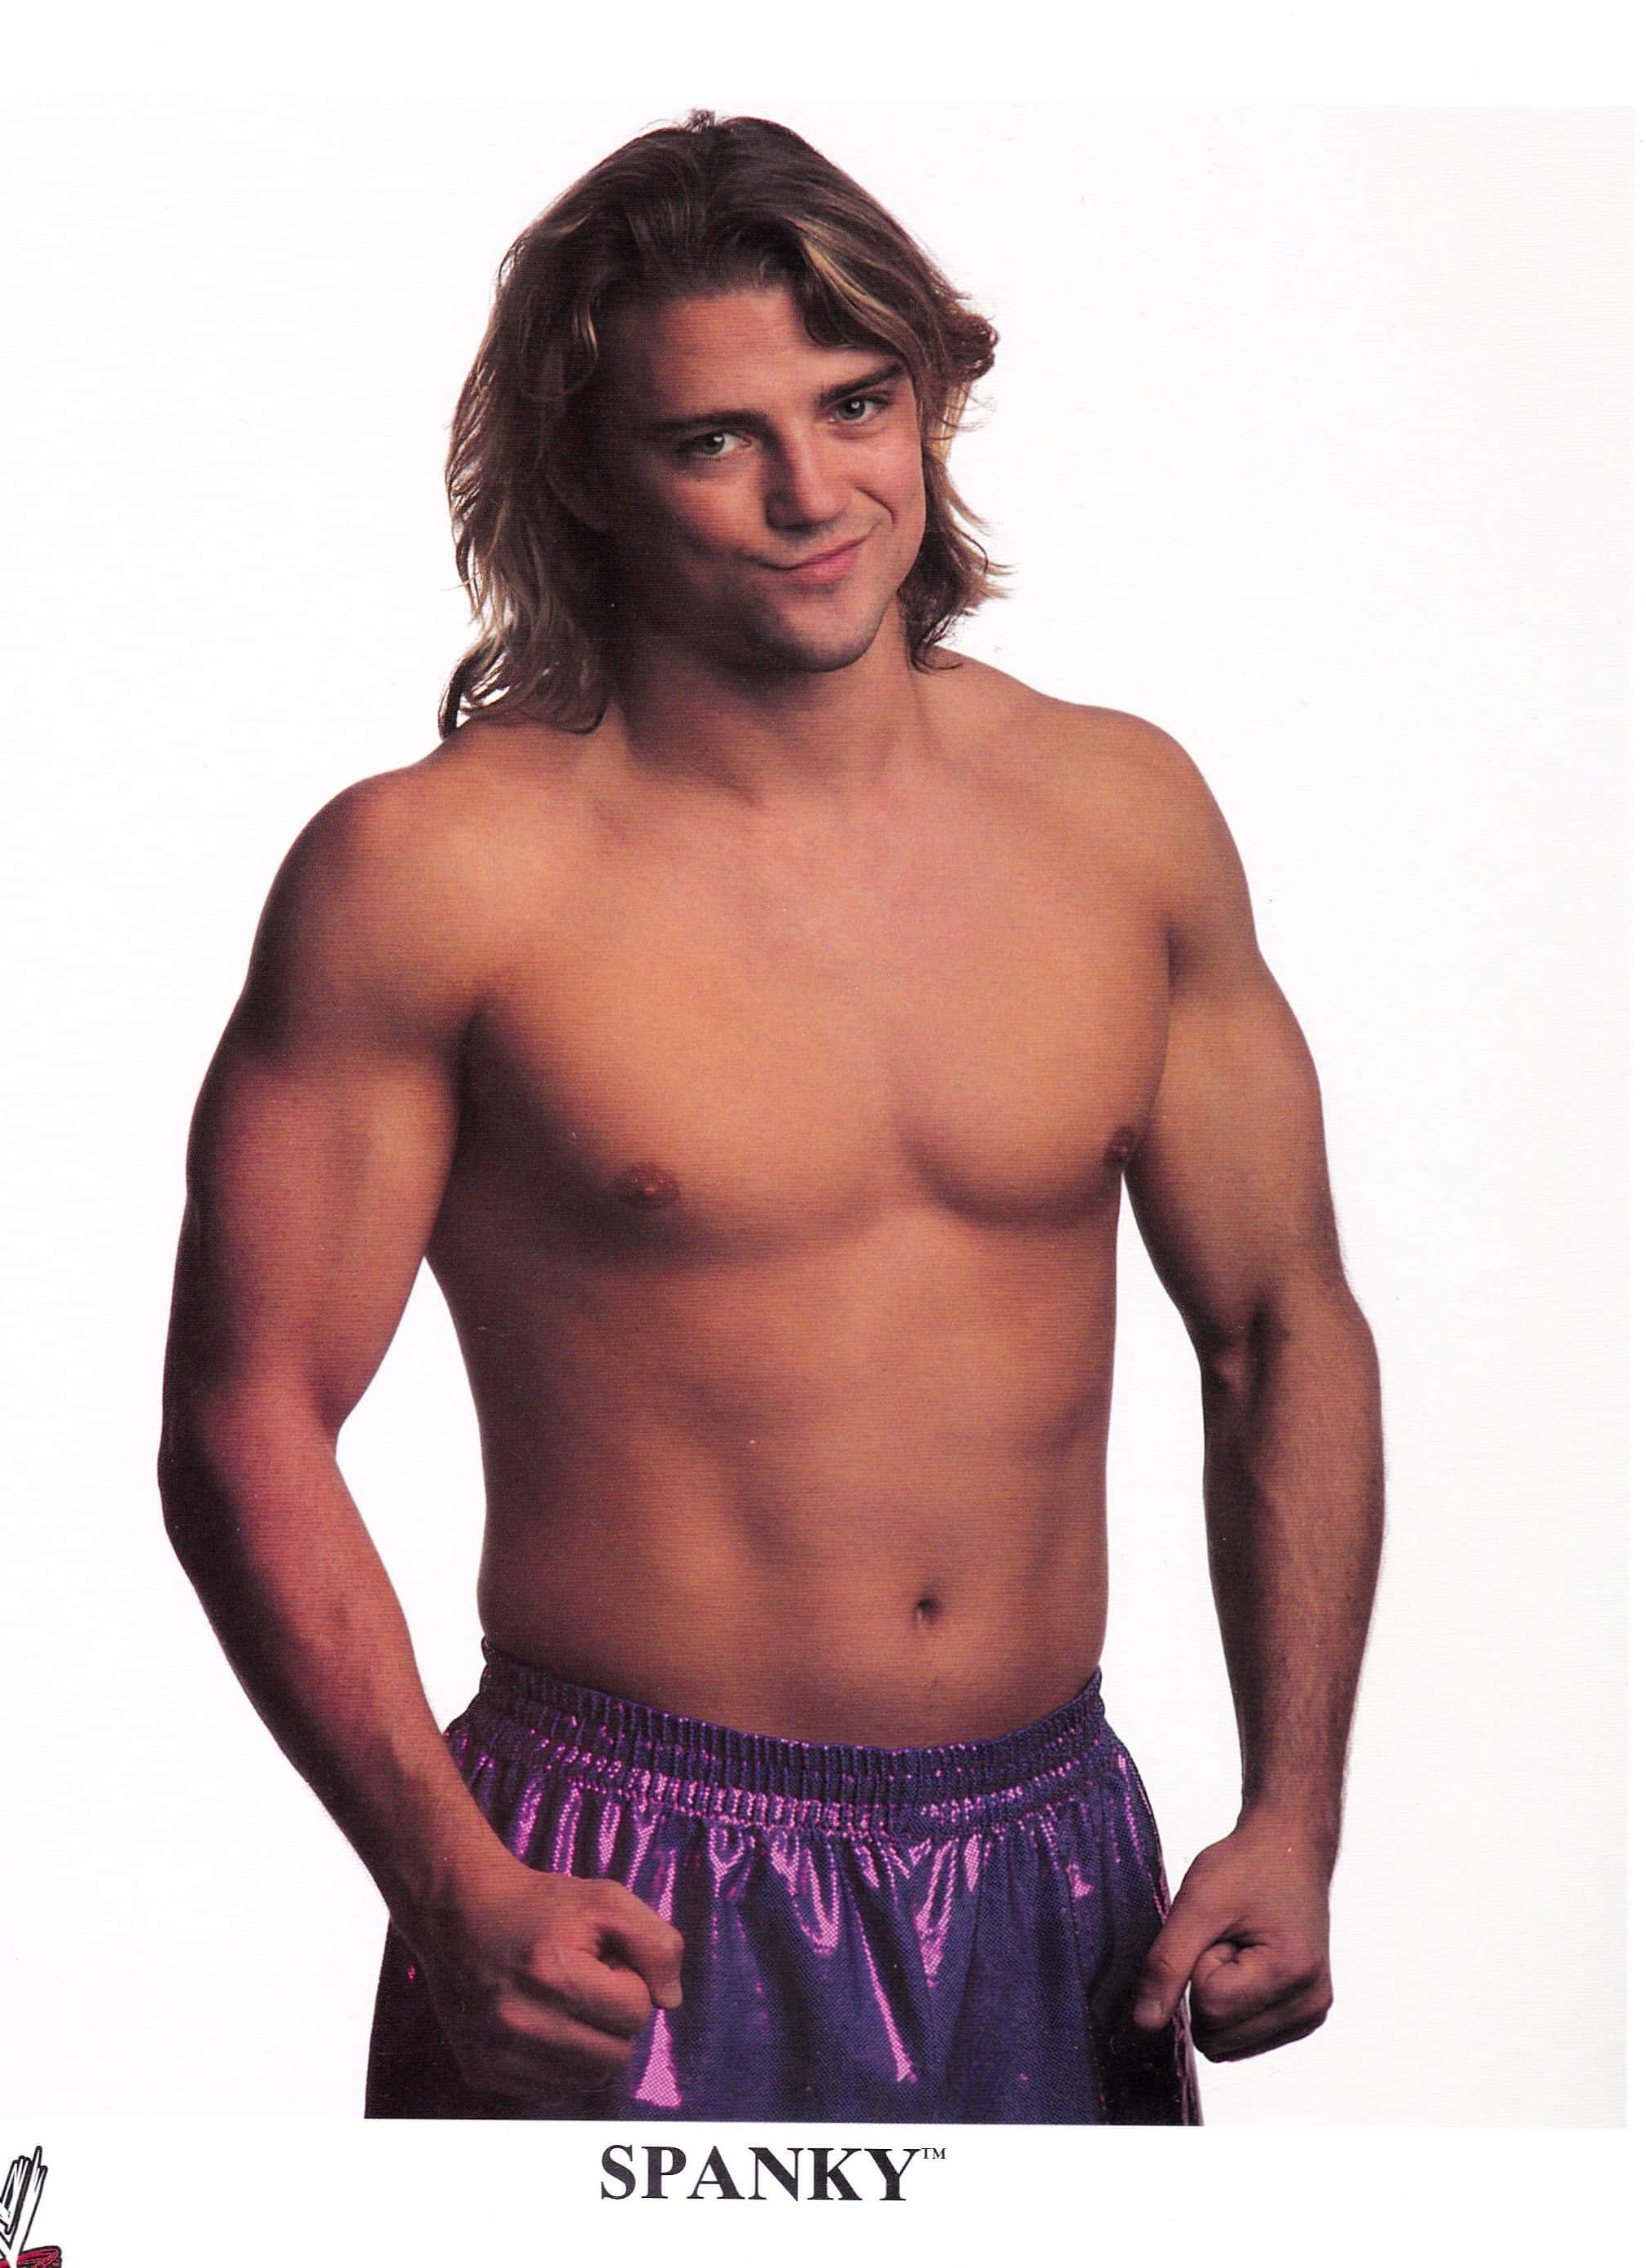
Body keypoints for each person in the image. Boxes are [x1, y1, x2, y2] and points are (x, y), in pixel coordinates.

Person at [159, 111, 1383, 2125]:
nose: (812, 493)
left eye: (855, 403)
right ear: (587, 470)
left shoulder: (1119, 818)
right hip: (618, 1886)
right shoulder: (435, 876)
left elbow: (1278, 1318)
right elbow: (244, 1415)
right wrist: (447, 1876)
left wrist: (1295, 1805)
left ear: (932, 400)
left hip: (1055, 1876)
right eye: (713, 438)